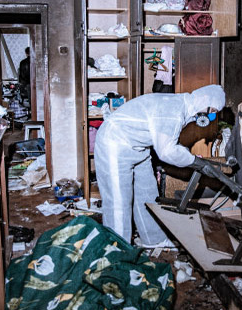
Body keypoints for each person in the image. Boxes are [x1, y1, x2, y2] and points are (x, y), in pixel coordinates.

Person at [94, 84, 225, 247]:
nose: (211, 116)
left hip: (138, 146)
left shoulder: (183, 105)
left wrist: (193, 160)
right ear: (204, 99)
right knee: (118, 201)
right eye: (212, 111)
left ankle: (153, 239)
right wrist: (196, 162)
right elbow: (167, 151)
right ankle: (118, 249)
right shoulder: (173, 111)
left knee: (147, 193)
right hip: (114, 143)